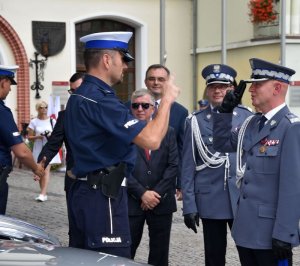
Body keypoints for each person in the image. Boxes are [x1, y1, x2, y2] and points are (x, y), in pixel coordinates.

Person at [64, 31, 180, 258]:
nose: (125, 66)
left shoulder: (81, 95)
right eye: (122, 59)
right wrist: (166, 100)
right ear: (107, 60)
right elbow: (152, 139)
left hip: (87, 190)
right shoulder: (101, 100)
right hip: (102, 195)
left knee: (83, 259)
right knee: (111, 259)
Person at [212, 58, 299, 266]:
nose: (251, 90)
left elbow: (292, 187)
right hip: (246, 230)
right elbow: (222, 143)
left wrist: (285, 234)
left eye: (258, 84)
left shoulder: (291, 127)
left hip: (271, 235)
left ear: (277, 87)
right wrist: (224, 112)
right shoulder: (251, 123)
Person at [181, 64, 253, 266]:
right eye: (213, 86)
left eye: (223, 86)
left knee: (248, 252)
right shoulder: (195, 121)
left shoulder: (246, 116)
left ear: (232, 88)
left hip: (241, 197)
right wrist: (189, 205)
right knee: (214, 256)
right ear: (207, 89)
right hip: (211, 198)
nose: (218, 90)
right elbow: (188, 165)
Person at [127, 89, 178, 266]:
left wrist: (155, 194)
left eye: (145, 105)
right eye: (135, 105)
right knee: (127, 251)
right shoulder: (123, 133)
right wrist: (142, 193)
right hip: (132, 202)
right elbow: (120, 167)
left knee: (160, 254)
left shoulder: (168, 131)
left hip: (161, 202)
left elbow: (173, 165)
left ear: (153, 108)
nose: (140, 109)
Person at [37, 72, 84, 245]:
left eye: (78, 90)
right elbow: (53, 144)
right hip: (74, 180)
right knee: (76, 229)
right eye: (72, 92)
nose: (75, 95)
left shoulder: (101, 112)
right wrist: (40, 165)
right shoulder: (65, 116)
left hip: (99, 181)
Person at [0, 64, 45, 214]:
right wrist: (36, 168)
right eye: (9, 84)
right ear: (3, 82)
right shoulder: (2, 112)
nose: (10, 89)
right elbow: (22, 152)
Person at [144, 64, 188, 200]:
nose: (156, 82)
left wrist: (180, 183)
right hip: (135, 184)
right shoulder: (130, 108)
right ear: (145, 82)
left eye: (161, 79)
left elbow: (182, 149)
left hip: (166, 183)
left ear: (167, 83)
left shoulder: (181, 112)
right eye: (152, 79)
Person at [28, 101, 61, 202]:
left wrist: (50, 136)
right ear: (38, 109)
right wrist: (38, 136)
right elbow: (29, 137)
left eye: (46, 107)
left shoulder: (52, 121)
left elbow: (57, 135)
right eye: (41, 107)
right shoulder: (34, 122)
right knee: (39, 170)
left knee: (46, 170)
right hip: (38, 148)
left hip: (49, 148)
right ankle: (43, 192)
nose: (44, 109)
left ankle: (43, 194)